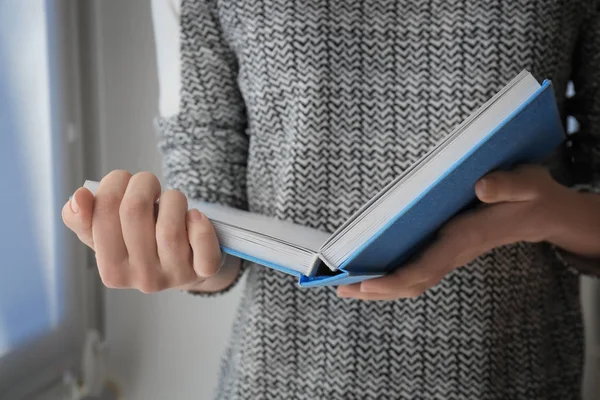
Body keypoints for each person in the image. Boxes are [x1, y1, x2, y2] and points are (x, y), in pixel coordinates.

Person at [63, 0, 600, 398]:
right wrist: (177, 256)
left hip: (513, 377)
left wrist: (545, 212)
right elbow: (210, 204)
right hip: (283, 378)